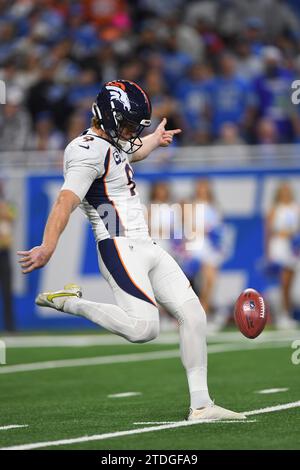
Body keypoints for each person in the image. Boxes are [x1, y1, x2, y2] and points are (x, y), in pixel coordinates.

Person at [17, 80, 245, 421]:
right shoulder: (85, 150)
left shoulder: (110, 143)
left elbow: (128, 154)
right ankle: (70, 301)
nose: (130, 132)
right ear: (107, 117)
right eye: (126, 124)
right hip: (118, 244)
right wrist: (49, 245)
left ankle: (201, 405)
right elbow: (65, 201)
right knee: (144, 329)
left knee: (194, 314)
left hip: (147, 244)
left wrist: (155, 140)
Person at [266, 182, 300, 329]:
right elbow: (269, 231)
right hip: (279, 247)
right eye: (283, 191)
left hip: (293, 248)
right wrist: (268, 250)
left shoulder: (296, 208)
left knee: (290, 283)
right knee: (283, 281)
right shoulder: (275, 209)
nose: (285, 194)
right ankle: (283, 314)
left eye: (288, 191)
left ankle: (287, 313)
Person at [0, 182, 15, 332]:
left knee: (7, 291)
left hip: (4, 251)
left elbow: (12, 216)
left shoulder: (7, 202)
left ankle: (10, 327)